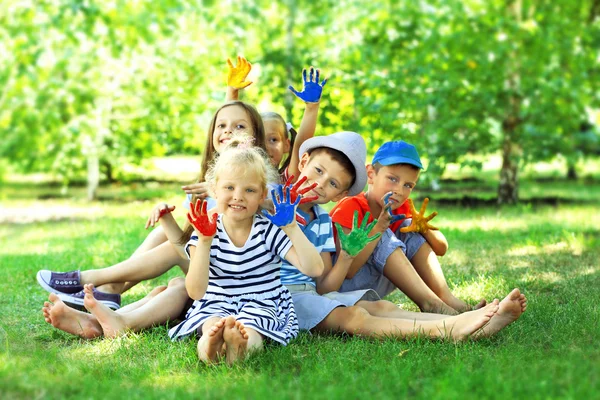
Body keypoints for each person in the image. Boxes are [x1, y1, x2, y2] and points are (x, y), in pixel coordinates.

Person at [278, 131, 522, 340]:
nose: (320, 184)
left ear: (338, 193)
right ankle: (448, 328)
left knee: (382, 306)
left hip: (314, 292)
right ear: (303, 163)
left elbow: (322, 287)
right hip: (287, 297)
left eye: (332, 183)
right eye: (318, 171)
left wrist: (346, 256)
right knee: (356, 315)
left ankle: (457, 316)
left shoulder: (320, 221)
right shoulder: (276, 200)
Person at [36, 100, 267, 310]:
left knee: (171, 249)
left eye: (239, 127)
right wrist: (167, 219)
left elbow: (262, 210)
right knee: (162, 235)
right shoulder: (203, 185)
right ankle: (109, 290)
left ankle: (90, 278)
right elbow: (191, 242)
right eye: (221, 125)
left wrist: (218, 194)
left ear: (255, 138)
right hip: (209, 266)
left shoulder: (259, 181)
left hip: (239, 272)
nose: (228, 131)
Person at [165, 138, 323, 364]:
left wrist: (291, 227)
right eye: (229, 187)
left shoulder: (268, 230)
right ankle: (210, 348)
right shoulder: (205, 231)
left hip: (262, 302)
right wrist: (205, 242)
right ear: (214, 190)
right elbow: (196, 292)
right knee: (210, 324)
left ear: (262, 196)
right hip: (215, 301)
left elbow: (314, 269)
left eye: (249, 190)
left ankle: (242, 346)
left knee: (252, 328)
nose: (238, 196)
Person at [330, 140, 486, 315]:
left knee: (408, 227)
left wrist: (424, 229)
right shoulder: (350, 207)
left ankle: (447, 300)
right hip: (342, 288)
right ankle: (431, 304)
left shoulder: (400, 210)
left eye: (408, 185)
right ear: (371, 174)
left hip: (373, 284)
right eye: (392, 179)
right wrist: (379, 227)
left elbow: (442, 249)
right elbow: (348, 270)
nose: (399, 190)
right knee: (380, 233)